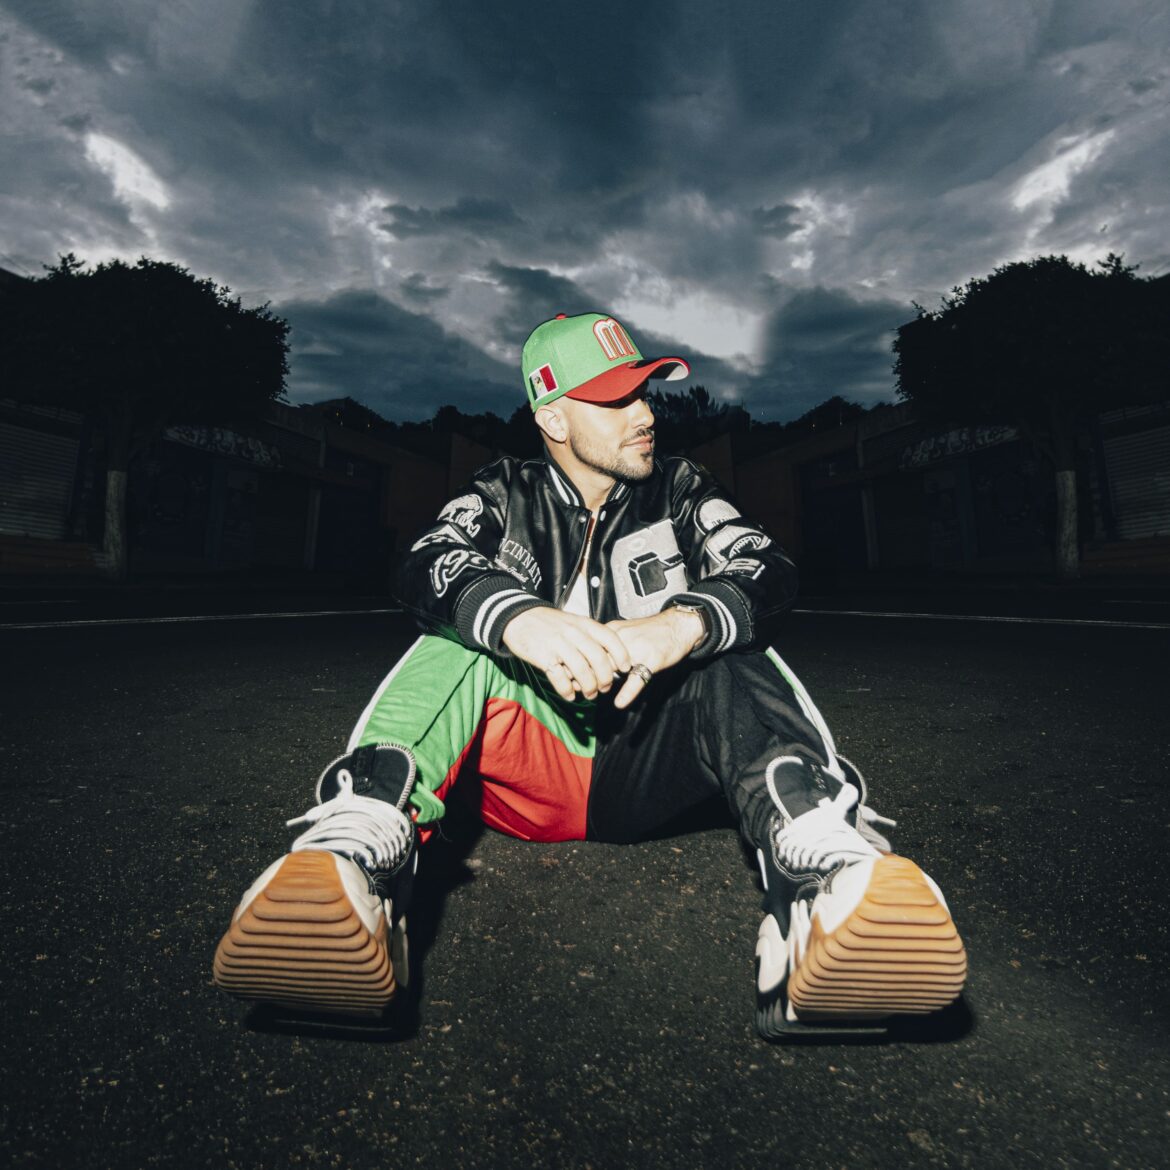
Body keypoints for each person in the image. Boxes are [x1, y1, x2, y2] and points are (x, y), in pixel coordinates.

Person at [213, 311, 966, 1039]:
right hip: (530, 766)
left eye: (645, 393)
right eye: (615, 400)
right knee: (459, 638)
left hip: (652, 761)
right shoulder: (503, 490)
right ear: (554, 419)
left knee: (727, 639)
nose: (646, 414)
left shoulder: (681, 488)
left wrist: (683, 623)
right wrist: (515, 616)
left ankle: (823, 872)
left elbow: (766, 565)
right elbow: (422, 561)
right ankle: (356, 859)